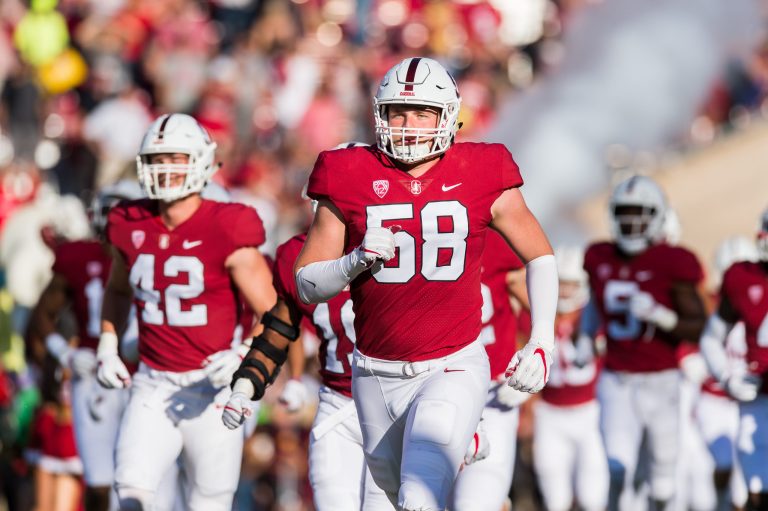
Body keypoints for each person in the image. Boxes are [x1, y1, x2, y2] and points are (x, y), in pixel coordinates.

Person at [226, 57, 558, 511]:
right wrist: (353, 262)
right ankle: (455, 439)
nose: (409, 125)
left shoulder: (484, 168)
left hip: (452, 363)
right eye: (398, 113)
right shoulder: (346, 173)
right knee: (382, 495)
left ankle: (457, 433)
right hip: (373, 372)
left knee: (419, 495)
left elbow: (539, 256)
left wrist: (541, 341)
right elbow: (305, 284)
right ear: (379, 115)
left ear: (448, 115)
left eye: (422, 112)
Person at [96, 113, 276, 510]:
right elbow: (117, 290)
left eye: (176, 158)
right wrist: (108, 344)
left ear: (201, 161)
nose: (166, 169)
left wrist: (244, 356)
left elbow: (274, 312)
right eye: (158, 159)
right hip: (153, 384)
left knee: (208, 502)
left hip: (212, 386)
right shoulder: (128, 220)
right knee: (128, 492)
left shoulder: (228, 223)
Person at [581, 175, 708, 511]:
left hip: (662, 380)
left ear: (657, 216)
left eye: (639, 213)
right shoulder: (600, 256)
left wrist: (662, 317)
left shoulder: (673, 261)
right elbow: (594, 302)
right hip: (617, 379)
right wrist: (584, 335)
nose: (631, 221)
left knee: (664, 480)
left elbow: (700, 327)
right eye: (624, 212)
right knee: (617, 467)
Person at [27, 181, 142, 511]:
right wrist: (64, 353)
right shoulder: (79, 256)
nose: (114, 220)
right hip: (92, 375)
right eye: (109, 210)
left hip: (144, 377)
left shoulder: (155, 255)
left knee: (139, 478)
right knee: (98, 480)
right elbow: (41, 315)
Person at [450, 229, 531, 511]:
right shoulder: (412, 235)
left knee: (474, 503)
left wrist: (533, 359)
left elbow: (538, 304)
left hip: (492, 391)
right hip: (434, 390)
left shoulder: (493, 241)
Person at [700, 212, 768, 511]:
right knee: (755, 494)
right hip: (757, 403)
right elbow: (710, 339)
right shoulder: (744, 278)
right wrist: (728, 378)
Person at [534, 245, 608, 511]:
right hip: (550, 412)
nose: (565, 291)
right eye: (560, 284)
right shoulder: (539, 314)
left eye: (571, 284)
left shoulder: (595, 315)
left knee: (593, 497)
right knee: (555, 499)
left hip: (589, 411)